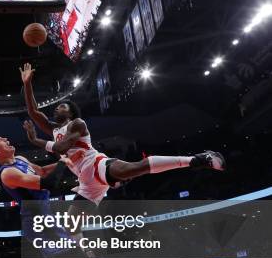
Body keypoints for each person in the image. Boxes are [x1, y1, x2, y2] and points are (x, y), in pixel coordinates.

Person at [20, 62, 225, 206]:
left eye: (62, 106)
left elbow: (61, 148)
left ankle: (198, 159)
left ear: (71, 112)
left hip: (96, 164)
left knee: (137, 168)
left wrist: (35, 140)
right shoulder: (54, 129)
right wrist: (27, 83)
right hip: (85, 181)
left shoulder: (77, 124)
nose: (57, 108)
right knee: (72, 230)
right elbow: (33, 112)